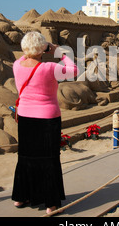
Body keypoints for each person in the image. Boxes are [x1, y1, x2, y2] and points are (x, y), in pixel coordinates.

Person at [11, 31, 78, 215]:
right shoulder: (48, 68)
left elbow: (26, 57)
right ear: (43, 49)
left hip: (25, 116)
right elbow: (74, 70)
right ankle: (50, 204)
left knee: (26, 157)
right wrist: (59, 53)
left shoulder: (16, 65)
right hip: (47, 117)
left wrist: (35, 48)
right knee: (49, 159)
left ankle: (21, 197)